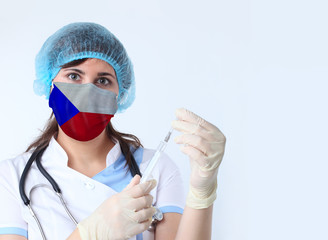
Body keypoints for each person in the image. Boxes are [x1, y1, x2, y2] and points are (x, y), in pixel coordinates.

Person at [0, 22, 226, 240]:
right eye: (74, 76)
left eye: (102, 80)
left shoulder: (155, 168)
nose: (88, 91)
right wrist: (91, 234)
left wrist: (201, 194)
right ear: (49, 84)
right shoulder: (13, 176)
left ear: (120, 95)